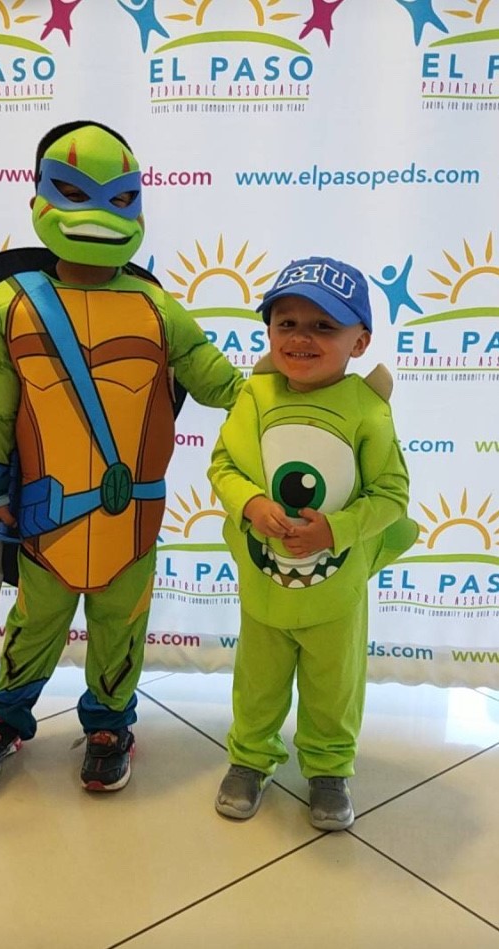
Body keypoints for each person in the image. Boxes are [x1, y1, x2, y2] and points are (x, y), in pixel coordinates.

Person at [0, 121, 242, 792]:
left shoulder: (157, 307)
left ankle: (110, 723)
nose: (98, 213)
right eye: (76, 192)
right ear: (40, 200)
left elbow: (218, 381)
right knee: (34, 625)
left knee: (120, 630)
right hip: (45, 517)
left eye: (119, 198)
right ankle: (5, 716)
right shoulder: (10, 305)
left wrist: (296, 389)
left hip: (129, 521)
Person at [208, 256, 417, 830]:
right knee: (258, 682)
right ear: (269, 332)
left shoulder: (367, 409)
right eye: (287, 323)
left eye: (324, 326)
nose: (301, 338)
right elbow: (224, 465)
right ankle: (250, 759)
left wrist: (336, 529)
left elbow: (392, 494)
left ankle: (329, 768)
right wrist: (251, 503)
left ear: (360, 341)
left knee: (334, 686)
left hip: (336, 591)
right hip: (265, 585)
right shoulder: (254, 397)